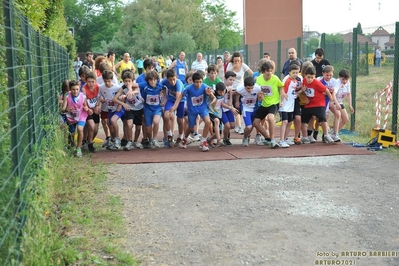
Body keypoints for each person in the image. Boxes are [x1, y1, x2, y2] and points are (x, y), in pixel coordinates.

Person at [300, 66, 335, 144]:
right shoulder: (304, 81)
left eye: (312, 77)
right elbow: (304, 91)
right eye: (308, 77)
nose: (310, 79)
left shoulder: (316, 83)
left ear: (314, 76)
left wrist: (332, 101)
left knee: (322, 118)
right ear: (305, 75)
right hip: (309, 104)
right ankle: (305, 137)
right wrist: (305, 98)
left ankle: (326, 135)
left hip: (319, 103)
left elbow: (327, 90)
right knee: (303, 121)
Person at [180, 72, 215, 151]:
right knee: (191, 127)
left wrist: (211, 98)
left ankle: (203, 141)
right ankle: (185, 139)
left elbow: (214, 97)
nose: (198, 84)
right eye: (196, 82)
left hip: (203, 108)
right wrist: (175, 105)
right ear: (193, 81)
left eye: (200, 82)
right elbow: (181, 95)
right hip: (192, 110)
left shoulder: (205, 87)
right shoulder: (189, 88)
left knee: (207, 122)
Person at [253, 61, 285, 148]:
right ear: (263, 71)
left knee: (271, 118)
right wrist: (260, 95)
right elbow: (258, 90)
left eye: (271, 70)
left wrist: (282, 94)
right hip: (264, 104)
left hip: (274, 103)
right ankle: (267, 138)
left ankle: (273, 140)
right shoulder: (259, 79)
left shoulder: (275, 78)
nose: (269, 73)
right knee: (255, 123)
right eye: (267, 71)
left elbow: (281, 85)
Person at [112, 70, 143, 151]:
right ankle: (129, 141)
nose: (127, 83)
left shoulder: (135, 86)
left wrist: (129, 92)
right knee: (129, 125)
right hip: (130, 109)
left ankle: (135, 141)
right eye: (125, 81)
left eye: (129, 81)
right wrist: (124, 104)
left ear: (132, 80)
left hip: (139, 108)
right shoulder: (122, 88)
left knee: (138, 127)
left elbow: (136, 91)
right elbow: (114, 99)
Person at [137, 70, 166, 149]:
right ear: (148, 80)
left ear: (157, 79)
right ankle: (150, 140)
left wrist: (164, 100)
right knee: (148, 130)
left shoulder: (160, 86)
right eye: (150, 80)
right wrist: (130, 91)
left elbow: (166, 90)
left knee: (156, 121)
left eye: (154, 79)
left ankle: (154, 139)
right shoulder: (145, 85)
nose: (153, 82)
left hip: (157, 108)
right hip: (147, 109)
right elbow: (133, 85)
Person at [226, 51, 253, 135]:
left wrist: (249, 83)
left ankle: (239, 125)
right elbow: (226, 75)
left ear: (241, 60)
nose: (237, 62)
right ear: (232, 61)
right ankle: (238, 126)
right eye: (235, 61)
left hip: (241, 89)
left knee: (240, 108)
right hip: (232, 89)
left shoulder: (243, 66)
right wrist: (233, 68)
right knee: (235, 108)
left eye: (238, 61)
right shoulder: (230, 66)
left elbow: (252, 73)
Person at [61, 80, 89, 157]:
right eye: (73, 89)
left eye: (77, 89)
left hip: (81, 116)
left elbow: (85, 106)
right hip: (71, 117)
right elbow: (63, 109)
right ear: (70, 89)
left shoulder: (83, 96)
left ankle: (78, 149)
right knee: (71, 134)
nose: (75, 91)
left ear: (79, 88)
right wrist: (67, 109)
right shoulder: (67, 96)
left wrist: (87, 109)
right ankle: (71, 144)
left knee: (80, 129)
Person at [98, 70, 123, 150]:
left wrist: (119, 104)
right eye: (105, 81)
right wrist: (101, 99)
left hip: (118, 109)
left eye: (109, 81)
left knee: (113, 121)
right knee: (110, 124)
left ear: (112, 79)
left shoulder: (117, 87)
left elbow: (122, 97)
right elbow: (100, 96)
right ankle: (113, 139)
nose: (107, 83)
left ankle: (117, 139)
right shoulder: (101, 87)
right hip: (110, 109)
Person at [161, 69, 186, 147]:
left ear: (177, 77)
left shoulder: (178, 83)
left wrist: (174, 108)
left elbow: (178, 98)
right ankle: (170, 135)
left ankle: (180, 136)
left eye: (174, 79)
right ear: (167, 79)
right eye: (170, 80)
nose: (172, 82)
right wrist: (163, 96)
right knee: (166, 116)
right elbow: (159, 87)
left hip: (180, 101)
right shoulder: (165, 81)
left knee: (179, 120)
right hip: (171, 100)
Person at [278, 64, 301, 148]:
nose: (295, 74)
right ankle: (281, 140)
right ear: (289, 72)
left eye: (297, 72)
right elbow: (283, 91)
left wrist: (301, 90)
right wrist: (281, 101)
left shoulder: (296, 82)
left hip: (291, 105)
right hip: (284, 105)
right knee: (284, 122)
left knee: (289, 122)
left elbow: (294, 94)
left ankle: (285, 139)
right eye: (293, 72)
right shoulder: (287, 80)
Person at [235, 76, 261, 147]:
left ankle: (257, 136)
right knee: (249, 126)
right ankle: (245, 138)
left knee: (255, 124)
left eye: (252, 88)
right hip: (246, 108)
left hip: (255, 108)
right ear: (244, 86)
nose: (250, 90)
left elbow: (260, 96)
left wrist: (260, 99)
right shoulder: (240, 88)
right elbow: (237, 93)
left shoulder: (258, 88)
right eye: (248, 88)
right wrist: (237, 101)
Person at [206, 82, 231, 147]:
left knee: (218, 133)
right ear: (217, 91)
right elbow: (210, 92)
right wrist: (210, 91)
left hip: (219, 113)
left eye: (223, 92)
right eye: (220, 92)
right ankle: (219, 140)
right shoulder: (214, 93)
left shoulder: (225, 91)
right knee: (216, 121)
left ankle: (209, 139)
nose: (222, 94)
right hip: (211, 112)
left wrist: (230, 105)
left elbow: (230, 89)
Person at [81, 71, 100, 152]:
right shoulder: (84, 89)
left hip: (95, 110)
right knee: (91, 126)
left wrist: (98, 107)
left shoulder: (98, 87)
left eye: (93, 82)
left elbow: (100, 98)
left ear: (95, 81)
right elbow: (84, 102)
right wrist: (88, 109)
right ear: (86, 81)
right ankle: (90, 144)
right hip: (88, 111)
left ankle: (89, 141)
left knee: (95, 130)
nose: (91, 84)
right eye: (89, 82)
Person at [221, 71, 238, 146]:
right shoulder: (221, 87)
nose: (232, 81)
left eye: (233, 80)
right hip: (221, 109)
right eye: (230, 80)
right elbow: (220, 103)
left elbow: (230, 101)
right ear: (225, 79)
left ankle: (226, 132)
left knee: (233, 126)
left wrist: (231, 105)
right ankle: (225, 139)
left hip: (228, 108)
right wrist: (230, 107)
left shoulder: (230, 87)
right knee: (227, 126)